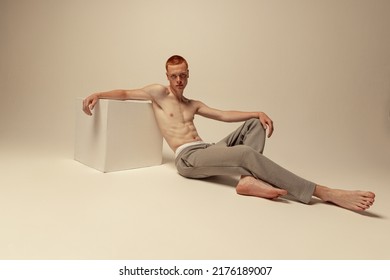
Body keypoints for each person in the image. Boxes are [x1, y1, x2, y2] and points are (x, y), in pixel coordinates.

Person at [82, 55, 375, 211]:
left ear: (188, 74)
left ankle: (247, 181)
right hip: (188, 160)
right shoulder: (158, 93)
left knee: (255, 125)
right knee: (246, 153)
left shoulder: (192, 104)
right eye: (174, 75)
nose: (179, 79)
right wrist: (98, 92)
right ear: (167, 76)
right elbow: (125, 93)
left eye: (184, 74)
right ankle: (323, 192)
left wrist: (256, 112)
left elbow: (222, 115)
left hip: (207, 149)